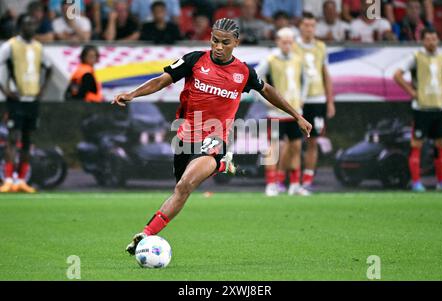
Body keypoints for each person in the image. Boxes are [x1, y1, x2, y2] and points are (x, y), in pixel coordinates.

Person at [111, 18, 312, 254]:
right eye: (215, 40)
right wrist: (133, 94)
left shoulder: (244, 72)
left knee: (186, 184)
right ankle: (220, 165)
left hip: (215, 139)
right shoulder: (194, 60)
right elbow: (162, 80)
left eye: (225, 42)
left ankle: (145, 235)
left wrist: (297, 116)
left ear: (236, 42)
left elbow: (267, 90)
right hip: (186, 137)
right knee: (180, 188)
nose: (218, 47)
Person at [0, 15, 52, 193]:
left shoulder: (38, 47)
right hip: (16, 99)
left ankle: (21, 180)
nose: (31, 27)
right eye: (27, 24)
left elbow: (49, 67)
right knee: (12, 138)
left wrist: (42, 89)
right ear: (20, 26)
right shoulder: (10, 45)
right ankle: (8, 179)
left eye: (33, 24)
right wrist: (5, 90)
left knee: (28, 140)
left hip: (32, 99)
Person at [393, 28, 442, 192]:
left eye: (434, 39)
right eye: (428, 39)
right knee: (417, 144)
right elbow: (397, 75)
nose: (432, 42)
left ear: (438, 40)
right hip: (421, 108)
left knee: (440, 144)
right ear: (423, 41)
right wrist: (411, 92)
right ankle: (417, 182)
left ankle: (441, 182)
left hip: (438, 107)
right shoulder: (416, 57)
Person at [256, 27, 310, 197]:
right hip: (276, 114)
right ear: (278, 42)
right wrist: (266, 102)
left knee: (295, 147)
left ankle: (294, 184)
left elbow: (305, 81)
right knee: (273, 149)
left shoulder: (298, 59)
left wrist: (302, 99)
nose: (287, 45)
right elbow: (255, 80)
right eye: (284, 42)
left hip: (294, 113)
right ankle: (271, 184)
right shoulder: (270, 60)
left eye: (290, 42)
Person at [294, 12, 335, 189]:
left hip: (317, 100)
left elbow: (326, 74)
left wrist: (330, 101)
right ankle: (292, 180)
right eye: (306, 25)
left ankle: (307, 181)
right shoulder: (293, 46)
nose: (309, 29)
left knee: (313, 141)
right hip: (297, 101)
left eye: (312, 25)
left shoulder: (321, 47)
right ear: (300, 27)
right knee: (293, 142)